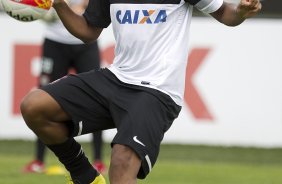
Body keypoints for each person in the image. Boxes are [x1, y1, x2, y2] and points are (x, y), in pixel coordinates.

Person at [20, 0, 261, 183]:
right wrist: (59, 3)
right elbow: (88, 31)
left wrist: (240, 12)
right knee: (35, 106)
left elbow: (225, 14)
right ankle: (86, 176)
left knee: (122, 158)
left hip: (158, 90)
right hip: (117, 77)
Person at [22, 0, 106, 175]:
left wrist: (79, 6)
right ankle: (38, 161)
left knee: (98, 96)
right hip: (54, 42)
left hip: (85, 43)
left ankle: (98, 160)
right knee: (41, 96)